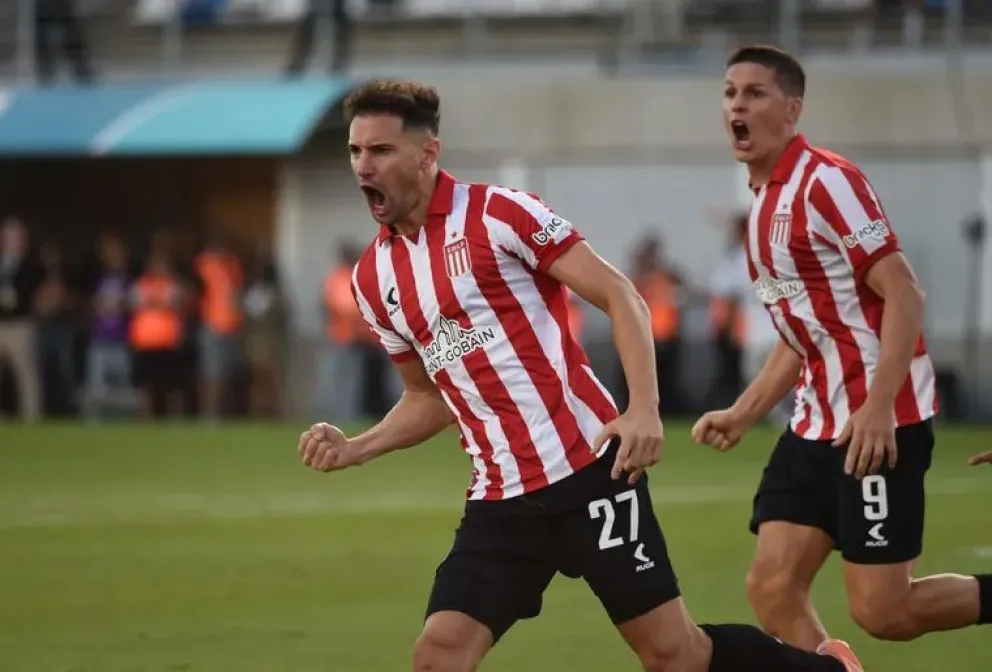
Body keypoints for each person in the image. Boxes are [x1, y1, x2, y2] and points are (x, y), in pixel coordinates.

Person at [298, 78, 863, 672]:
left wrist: (642, 409)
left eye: (381, 150)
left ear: (427, 153)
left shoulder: (499, 215)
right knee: (438, 654)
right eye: (356, 151)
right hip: (500, 497)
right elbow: (428, 397)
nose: (364, 165)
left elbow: (621, 295)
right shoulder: (372, 279)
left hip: (590, 470)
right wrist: (357, 447)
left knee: (675, 656)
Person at [693, 44, 991, 655]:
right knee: (772, 587)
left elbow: (904, 293)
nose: (737, 106)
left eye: (754, 93)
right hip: (814, 424)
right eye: (729, 94)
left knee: (885, 611)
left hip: (879, 422)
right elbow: (803, 335)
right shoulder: (760, 210)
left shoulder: (828, 182)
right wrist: (743, 412)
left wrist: (878, 406)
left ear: (792, 109)